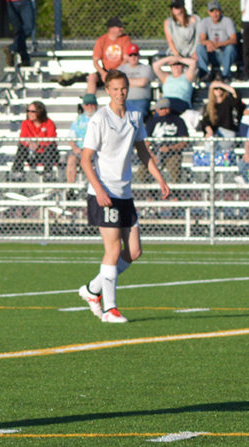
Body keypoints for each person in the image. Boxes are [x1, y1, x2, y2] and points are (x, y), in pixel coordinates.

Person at [77, 70, 170, 324]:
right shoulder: (99, 119)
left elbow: (143, 152)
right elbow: (85, 160)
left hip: (124, 193)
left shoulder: (134, 116)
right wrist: (99, 190)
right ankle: (110, 309)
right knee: (113, 249)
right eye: (115, 89)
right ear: (107, 90)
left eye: (123, 88)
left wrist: (160, 179)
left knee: (134, 251)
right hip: (104, 192)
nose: (120, 93)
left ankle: (92, 289)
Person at [10, 100, 58, 181]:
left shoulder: (49, 123)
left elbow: (50, 139)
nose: (29, 113)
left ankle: (48, 173)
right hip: (32, 153)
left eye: (32, 111)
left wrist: (38, 143)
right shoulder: (25, 123)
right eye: (28, 111)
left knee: (49, 148)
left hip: (46, 154)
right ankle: (17, 172)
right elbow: (23, 138)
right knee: (21, 147)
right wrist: (30, 144)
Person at [145, 98, 189, 184]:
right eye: (161, 108)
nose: (164, 111)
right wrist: (151, 155)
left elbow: (185, 141)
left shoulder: (178, 120)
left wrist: (170, 148)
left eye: (166, 108)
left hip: (172, 154)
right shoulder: (151, 121)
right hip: (154, 152)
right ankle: (150, 194)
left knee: (175, 168)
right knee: (142, 173)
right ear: (157, 109)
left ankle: (176, 195)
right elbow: (145, 142)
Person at [87, 16, 135, 95]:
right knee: (92, 77)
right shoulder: (102, 40)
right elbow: (95, 61)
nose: (122, 29)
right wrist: (103, 73)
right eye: (119, 27)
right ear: (111, 28)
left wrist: (117, 72)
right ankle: (90, 103)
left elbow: (125, 59)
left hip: (120, 70)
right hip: (106, 70)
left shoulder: (125, 39)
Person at [196, 0, 239, 82]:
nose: (215, 14)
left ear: (220, 11)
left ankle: (225, 75)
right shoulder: (205, 22)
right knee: (199, 48)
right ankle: (205, 74)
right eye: (212, 11)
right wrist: (209, 43)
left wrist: (219, 44)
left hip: (224, 54)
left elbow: (234, 39)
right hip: (212, 53)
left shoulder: (227, 21)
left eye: (217, 11)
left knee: (230, 48)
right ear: (208, 12)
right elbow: (202, 39)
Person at [66, 93, 99, 190]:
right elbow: (71, 138)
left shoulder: (100, 118)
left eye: (92, 104)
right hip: (80, 149)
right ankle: (71, 188)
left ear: (96, 105)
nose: (90, 107)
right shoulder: (78, 119)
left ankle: (96, 187)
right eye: (87, 104)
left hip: (95, 150)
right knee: (71, 159)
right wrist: (75, 149)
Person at [119, 43, 157, 117]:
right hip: (124, 100)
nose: (133, 57)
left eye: (135, 55)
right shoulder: (121, 69)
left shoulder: (146, 67)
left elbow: (142, 83)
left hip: (141, 101)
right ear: (127, 57)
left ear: (139, 55)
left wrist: (126, 82)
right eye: (130, 55)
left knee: (137, 117)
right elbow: (118, 83)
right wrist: (136, 81)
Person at [4, 0, 35, 68]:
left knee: (28, 28)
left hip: (25, 2)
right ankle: (24, 59)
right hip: (11, 3)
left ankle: (12, 48)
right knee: (18, 30)